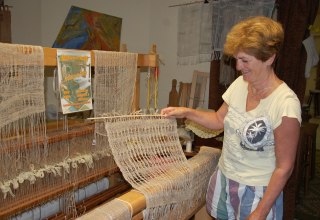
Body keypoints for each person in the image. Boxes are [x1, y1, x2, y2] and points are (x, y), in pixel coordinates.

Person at [161, 16, 301, 220]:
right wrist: (187, 112)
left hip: (258, 192)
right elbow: (218, 120)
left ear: (269, 58)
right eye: (237, 59)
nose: (238, 66)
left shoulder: (285, 103)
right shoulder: (240, 85)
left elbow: (284, 168)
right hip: (226, 179)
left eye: (245, 60)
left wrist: (260, 212)